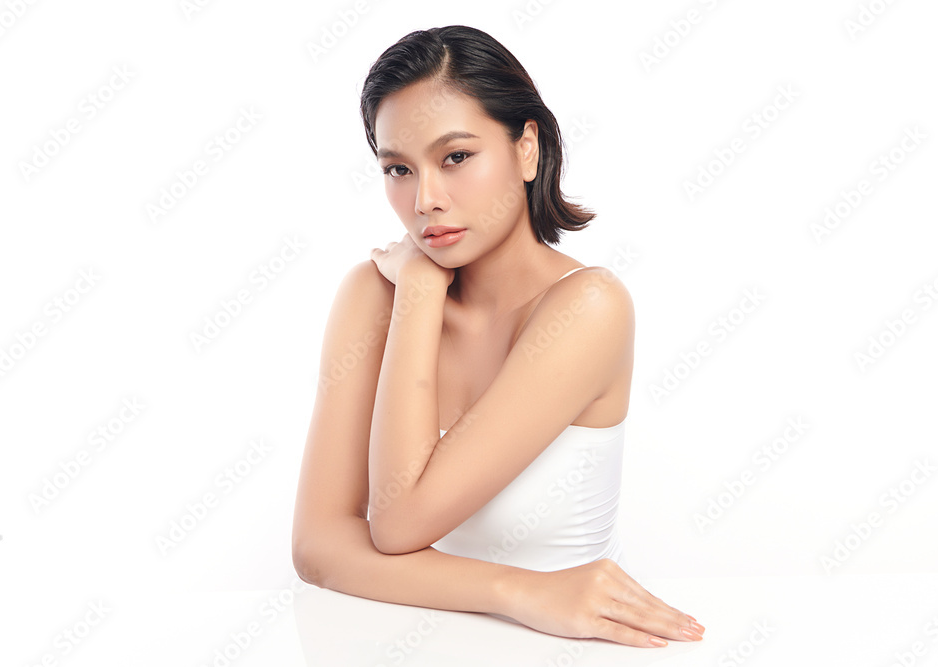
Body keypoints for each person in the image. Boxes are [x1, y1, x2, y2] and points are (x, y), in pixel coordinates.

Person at [291, 25, 705, 648]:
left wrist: (419, 291)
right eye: (398, 168)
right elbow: (318, 546)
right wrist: (522, 592)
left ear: (527, 149)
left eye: (456, 157)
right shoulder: (372, 295)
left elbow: (396, 525)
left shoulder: (588, 307)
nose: (426, 199)